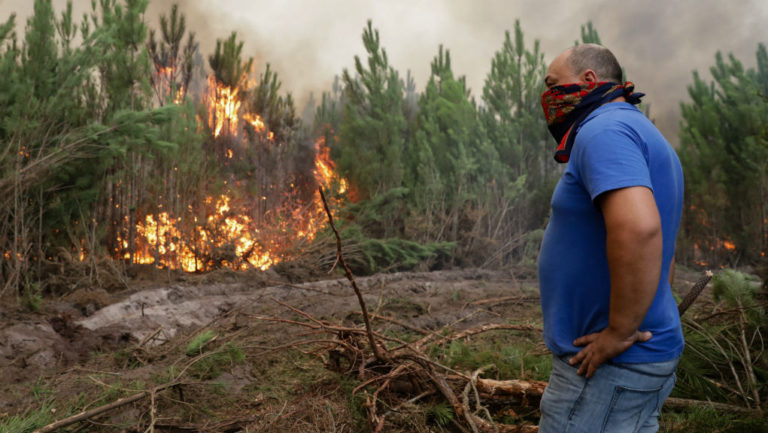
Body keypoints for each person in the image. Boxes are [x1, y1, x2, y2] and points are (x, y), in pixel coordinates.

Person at [536, 44, 684, 433]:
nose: (547, 97)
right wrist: (643, 313)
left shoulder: (604, 129)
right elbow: (664, 251)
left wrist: (619, 332)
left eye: (553, 85)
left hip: (608, 368)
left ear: (588, 81)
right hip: (634, 362)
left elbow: (640, 229)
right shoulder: (640, 131)